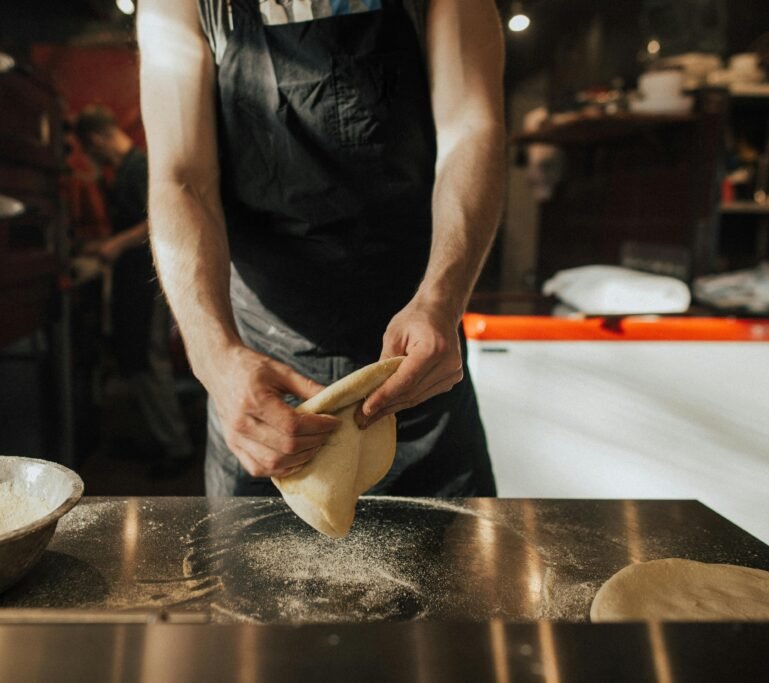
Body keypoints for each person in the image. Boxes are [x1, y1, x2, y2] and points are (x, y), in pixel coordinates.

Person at [138, 0, 505, 496]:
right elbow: (182, 180)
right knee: (247, 572)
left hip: (415, 365)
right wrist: (215, 358)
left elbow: (471, 130)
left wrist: (442, 298)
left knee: (450, 568)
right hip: (259, 374)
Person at [74, 109, 194, 477]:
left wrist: (114, 245)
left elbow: (158, 217)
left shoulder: (140, 166)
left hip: (147, 275)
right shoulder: (125, 169)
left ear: (95, 140)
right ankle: (162, 439)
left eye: (91, 151)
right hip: (135, 276)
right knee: (139, 358)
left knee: (149, 356)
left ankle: (178, 447)